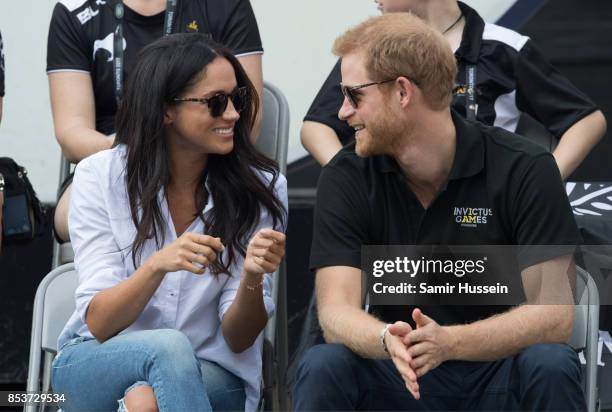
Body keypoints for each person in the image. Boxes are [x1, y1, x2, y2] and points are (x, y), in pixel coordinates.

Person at [293, 13, 585, 411]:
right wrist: (385, 340)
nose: (342, 113)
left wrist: (451, 343)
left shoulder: (525, 167)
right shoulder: (346, 174)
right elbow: (336, 312)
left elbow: (554, 316)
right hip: (399, 374)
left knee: (550, 362)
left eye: (354, 95)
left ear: (402, 92)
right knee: (324, 364)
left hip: (494, 374)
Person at [51, 32, 287, 412]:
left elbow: (240, 338)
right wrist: (157, 266)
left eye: (237, 98)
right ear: (166, 110)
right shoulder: (100, 176)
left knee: (145, 402)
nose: (233, 114)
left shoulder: (260, 187)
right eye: (216, 102)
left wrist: (253, 277)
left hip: (211, 373)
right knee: (167, 348)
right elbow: (99, 322)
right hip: (97, 361)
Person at [301, 0, 606, 179]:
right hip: (394, 217)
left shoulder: (503, 48)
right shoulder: (371, 47)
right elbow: (317, 126)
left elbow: (586, 121)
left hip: (480, 217)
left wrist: (540, 184)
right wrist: (352, 184)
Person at [47, 0, 265, 243]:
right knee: (79, 214)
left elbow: (247, 115)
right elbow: (72, 133)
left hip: (208, 163)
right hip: (119, 159)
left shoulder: (226, 5)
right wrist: (144, 153)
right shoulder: (74, 10)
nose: (231, 112)